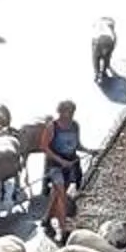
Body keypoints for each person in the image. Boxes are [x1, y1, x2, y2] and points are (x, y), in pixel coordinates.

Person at [40, 98, 85, 241]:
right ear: (61, 112)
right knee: (60, 194)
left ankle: (46, 218)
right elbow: (44, 147)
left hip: (69, 164)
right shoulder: (52, 127)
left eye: (72, 111)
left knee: (57, 193)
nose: (70, 114)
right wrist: (61, 161)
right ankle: (63, 228)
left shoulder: (75, 126)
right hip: (55, 166)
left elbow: (77, 145)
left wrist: (89, 151)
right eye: (68, 112)